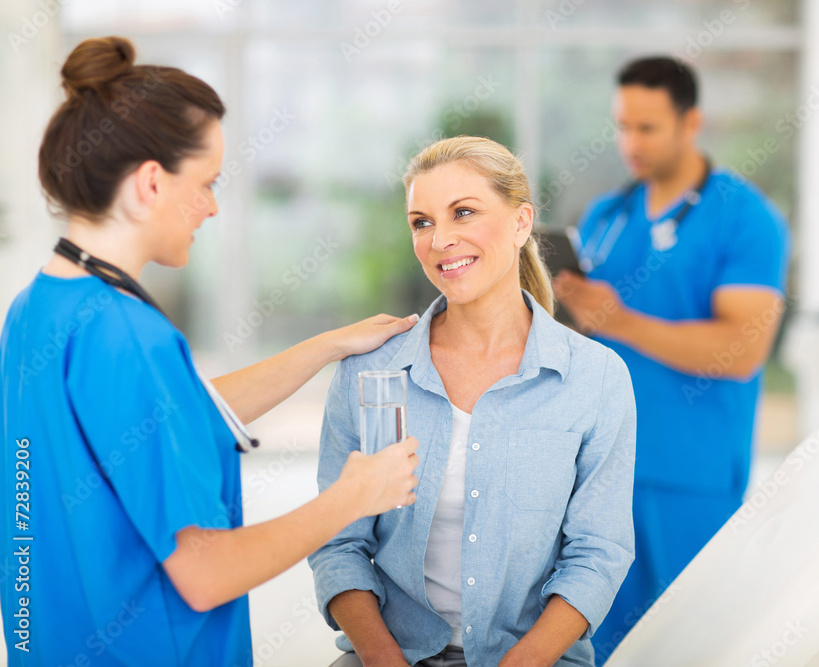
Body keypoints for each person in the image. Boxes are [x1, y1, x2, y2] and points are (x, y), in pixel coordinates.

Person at [0, 36, 420, 666]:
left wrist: (328, 345)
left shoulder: (38, 308)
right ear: (149, 183)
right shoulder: (132, 336)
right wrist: (351, 498)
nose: (213, 206)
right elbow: (205, 573)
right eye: (206, 182)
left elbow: (163, 421)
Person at [308, 136, 637, 667]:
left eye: (464, 212)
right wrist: (381, 657)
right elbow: (339, 542)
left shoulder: (595, 379)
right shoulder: (375, 374)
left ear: (521, 223)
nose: (441, 240)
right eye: (422, 222)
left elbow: (600, 553)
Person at [553, 56, 790, 663]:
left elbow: (743, 351)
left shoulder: (746, 220)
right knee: (598, 645)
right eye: (622, 126)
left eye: (648, 127)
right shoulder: (608, 215)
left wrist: (619, 320)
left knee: (691, 644)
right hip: (601, 474)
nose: (630, 142)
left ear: (692, 123)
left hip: (692, 477)